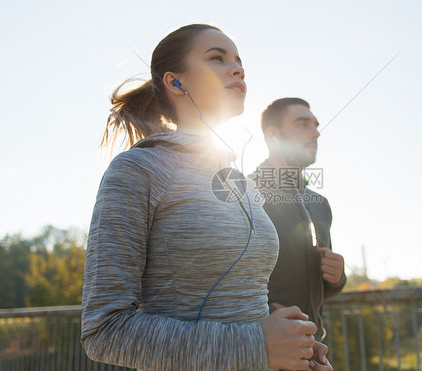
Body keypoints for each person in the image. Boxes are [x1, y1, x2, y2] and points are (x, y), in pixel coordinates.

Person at [81, 25, 332, 371]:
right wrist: (258, 344)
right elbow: (104, 331)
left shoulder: (241, 183)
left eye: (239, 61)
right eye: (217, 58)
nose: (238, 69)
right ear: (175, 82)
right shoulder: (139, 168)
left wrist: (295, 347)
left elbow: (240, 307)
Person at [250, 98, 346, 340]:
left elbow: (317, 285)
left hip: (313, 345)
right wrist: (268, 312)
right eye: (303, 125)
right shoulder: (245, 192)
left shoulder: (320, 204)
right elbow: (221, 278)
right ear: (273, 135)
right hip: (262, 348)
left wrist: (337, 278)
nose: (315, 133)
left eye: (315, 125)